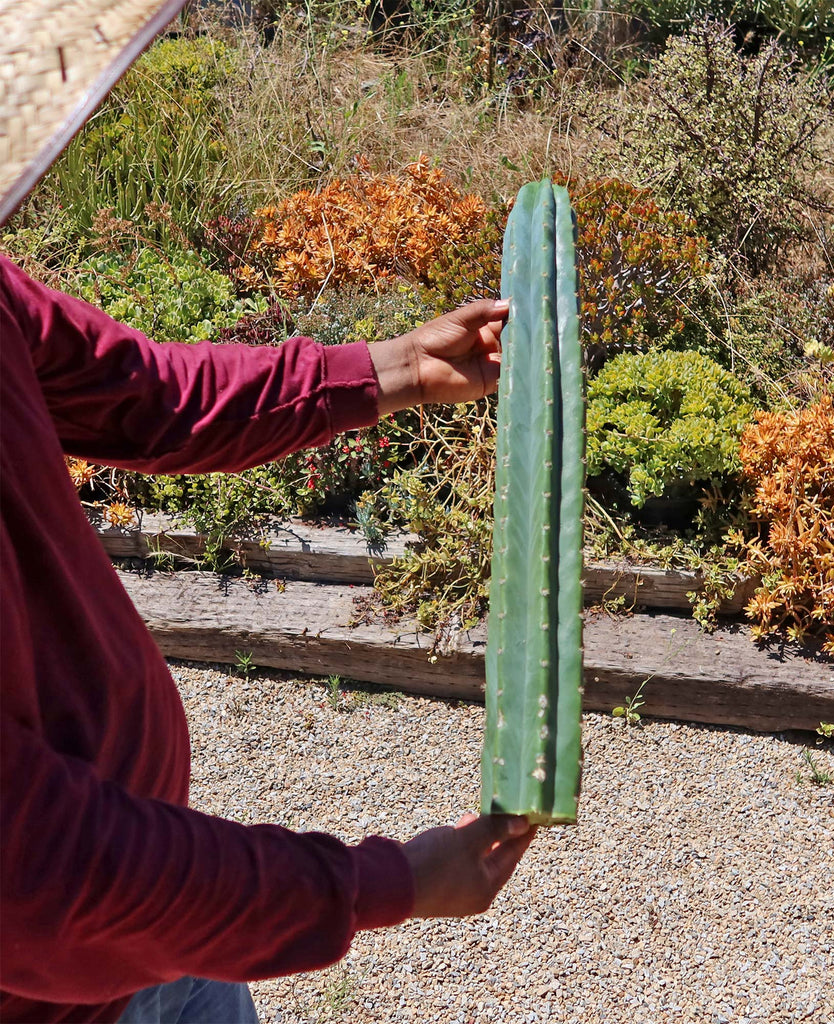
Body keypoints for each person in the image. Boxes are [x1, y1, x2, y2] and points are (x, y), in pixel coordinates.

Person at [0, 4, 536, 1023]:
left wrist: (386, 370)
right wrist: (386, 883)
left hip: (167, 921)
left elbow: (139, 392)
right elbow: (45, 883)